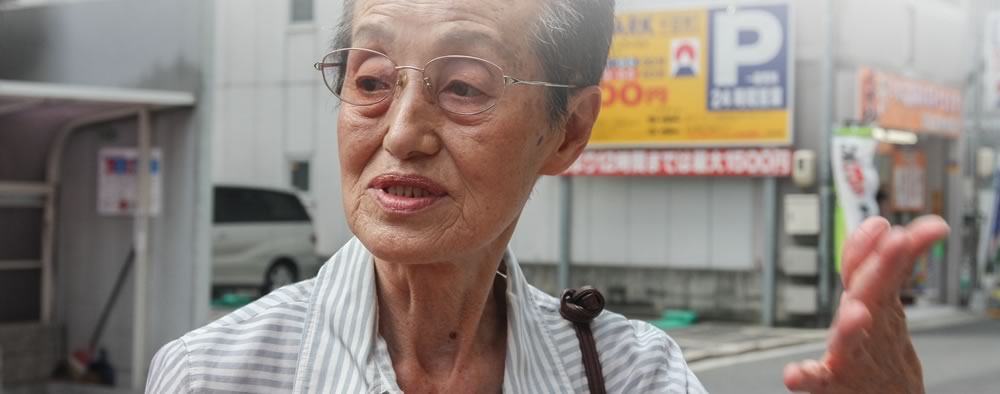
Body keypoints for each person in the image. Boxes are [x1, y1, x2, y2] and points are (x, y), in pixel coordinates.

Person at [145, 0, 951, 392]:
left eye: (464, 85)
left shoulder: (636, 377)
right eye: (371, 80)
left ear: (568, 132)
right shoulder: (214, 374)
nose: (402, 133)